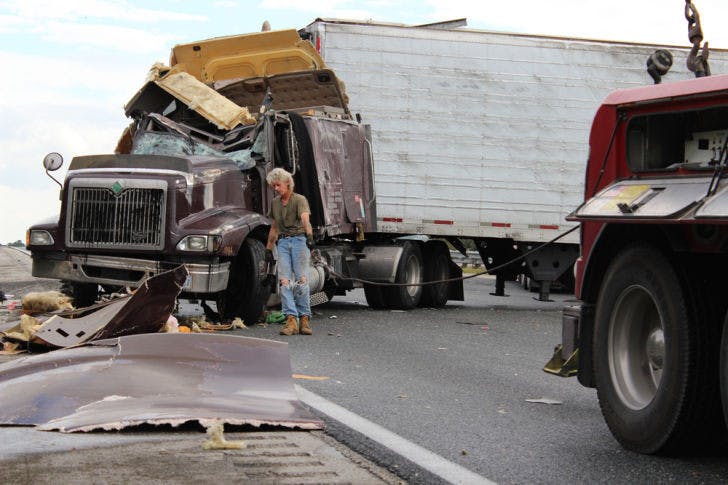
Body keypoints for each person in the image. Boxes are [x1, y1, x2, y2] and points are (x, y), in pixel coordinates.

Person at [265, 168, 315, 336]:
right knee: (284, 281)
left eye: (278, 185)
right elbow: (274, 227)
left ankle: (305, 318)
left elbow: (305, 219)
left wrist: (309, 236)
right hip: (284, 243)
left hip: (300, 240)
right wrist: (268, 249)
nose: (276, 189)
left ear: (287, 183)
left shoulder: (299, 200)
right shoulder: (275, 203)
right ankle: (291, 320)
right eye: (274, 186)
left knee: (301, 280)